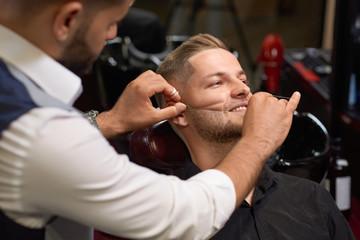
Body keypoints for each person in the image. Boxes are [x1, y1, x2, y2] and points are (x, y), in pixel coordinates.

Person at [0, 0, 300, 239]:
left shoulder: (31, 120)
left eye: (242, 78)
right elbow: (186, 216)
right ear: (67, 21)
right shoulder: (37, 131)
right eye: (110, 22)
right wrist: (258, 140)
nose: (112, 35)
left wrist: (110, 121)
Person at [155, 33, 355, 239]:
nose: (243, 89)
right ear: (178, 112)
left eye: (243, 80)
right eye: (217, 83)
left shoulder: (312, 198)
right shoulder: (173, 216)